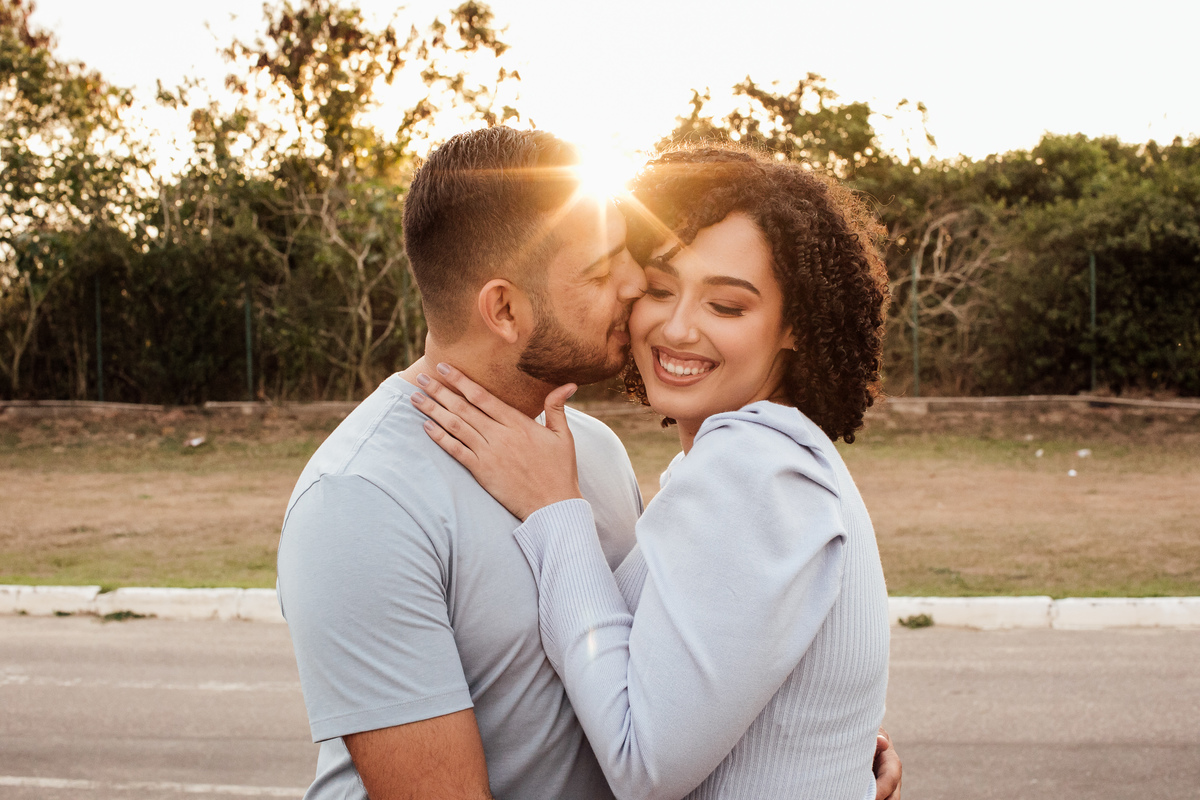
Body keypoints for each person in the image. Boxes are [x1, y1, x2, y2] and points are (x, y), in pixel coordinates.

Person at [277, 128, 902, 800]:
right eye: (606, 272)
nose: (637, 288)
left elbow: (664, 669)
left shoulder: (591, 453)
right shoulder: (362, 499)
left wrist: (810, 749)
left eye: (722, 302)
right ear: (506, 309)